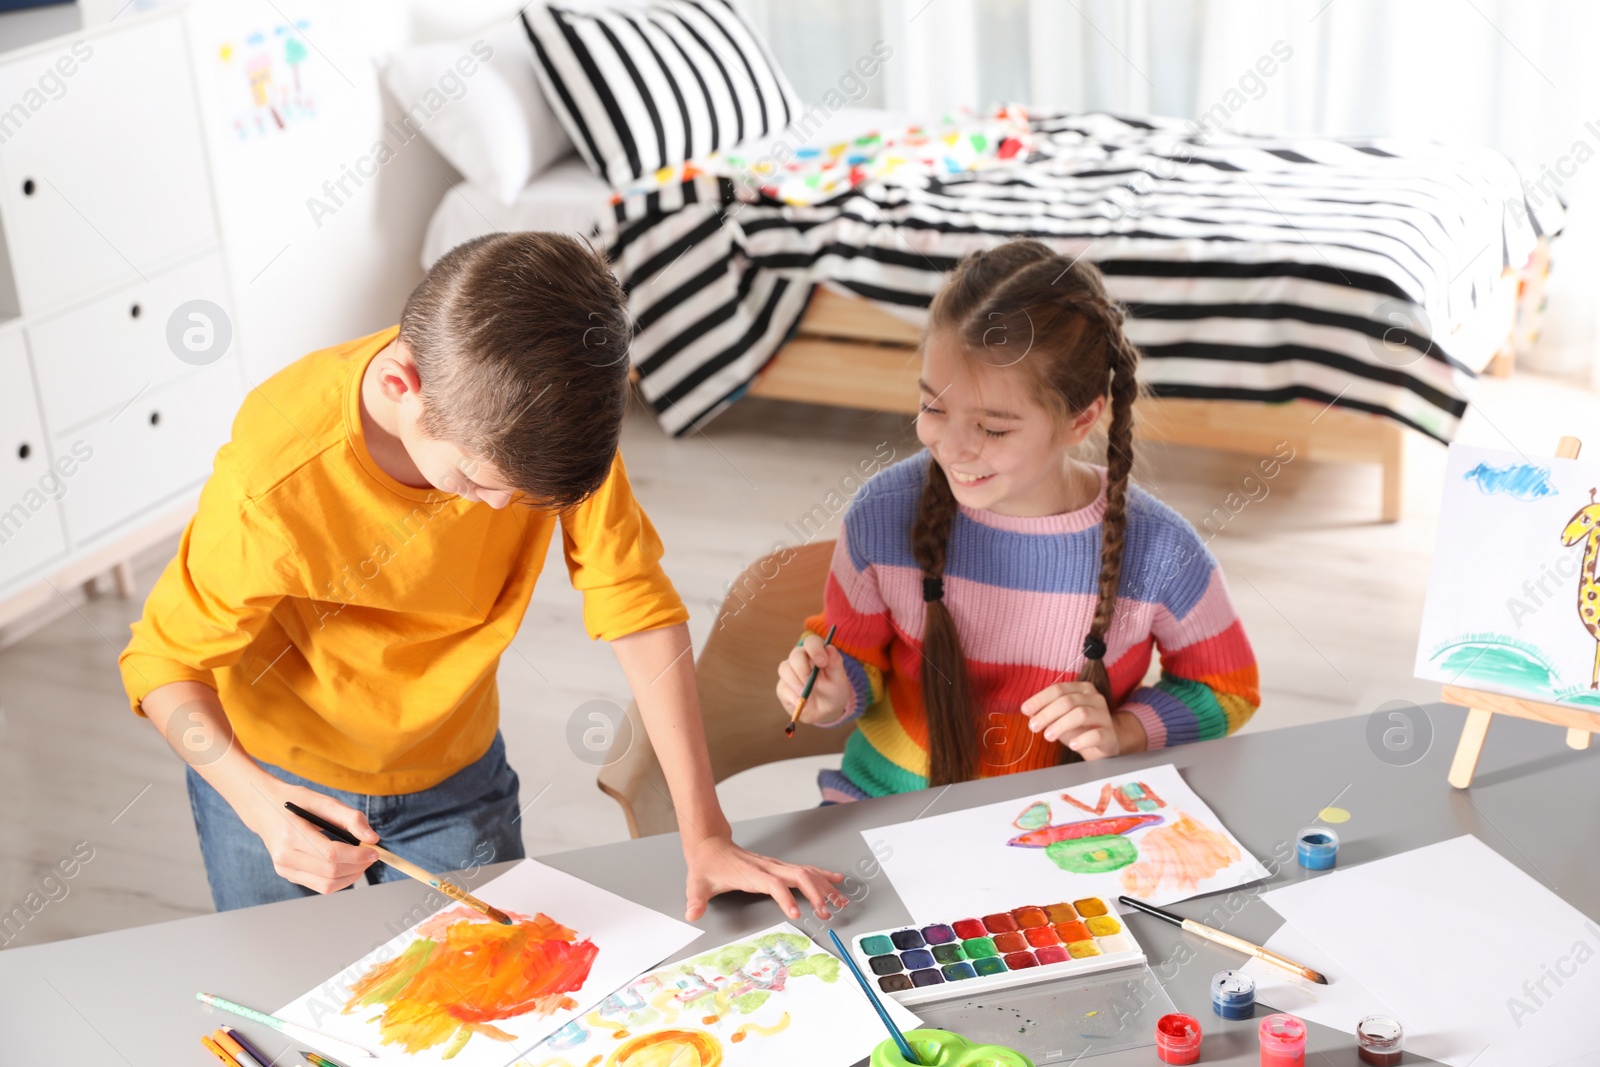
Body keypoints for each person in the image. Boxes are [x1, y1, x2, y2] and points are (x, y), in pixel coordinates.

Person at [121, 231, 846, 921]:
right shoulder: (276, 472)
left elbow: (636, 605)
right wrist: (254, 801)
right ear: (404, 386)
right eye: (476, 481)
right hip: (275, 783)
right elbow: (162, 663)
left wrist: (706, 832)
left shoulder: (541, 421)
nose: (503, 510)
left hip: (457, 777)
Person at [775, 239, 1260, 801]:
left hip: (1064, 825)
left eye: (993, 428)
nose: (952, 447)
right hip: (884, 809)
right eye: (933, 407)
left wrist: (1126, 731)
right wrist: (833, 692)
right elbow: (854, 657)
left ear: (1081, 420)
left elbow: (1228, 688)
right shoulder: (884, 514)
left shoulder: (1159, 549)